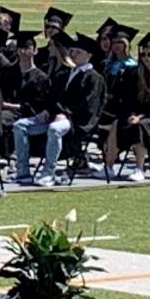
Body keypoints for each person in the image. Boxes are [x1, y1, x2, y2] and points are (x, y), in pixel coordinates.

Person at [12, 32, 104, 187]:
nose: (73, 54)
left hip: (76, 121)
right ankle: (23, 171)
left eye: (78, 52)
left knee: (55, 129)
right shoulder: (64, 74)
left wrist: (64, 114)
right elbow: (52, 98)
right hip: (56, 116)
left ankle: (49, 172)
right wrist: (48, 111)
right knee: (20, 125)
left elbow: (88, 107)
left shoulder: (94, 78)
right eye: (72, 51)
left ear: (88, 55)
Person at [101, 33, 150, 181]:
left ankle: (139, 169)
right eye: (143, 54)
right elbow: (129, 99)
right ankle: (109, 167)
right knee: (117, 124)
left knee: (140, 127)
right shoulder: (136, 74)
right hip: (138, 116)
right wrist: (132, 113)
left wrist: (142, 117)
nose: (145, 58)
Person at [0, 31, 50, 141]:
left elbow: (37, 105)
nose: (22, 51)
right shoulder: (8, 72)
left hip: (26, 114)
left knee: (1, 119)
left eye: (26, 48)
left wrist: (10, 106)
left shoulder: (41, 77)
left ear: (35, 51)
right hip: (5, 110)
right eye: (19, 48)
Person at [36, 7, 73, 71]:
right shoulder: (40, 52)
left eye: (54, 27)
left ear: (61, 29)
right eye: (47, 27)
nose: (50, 30)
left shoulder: (69, 51)